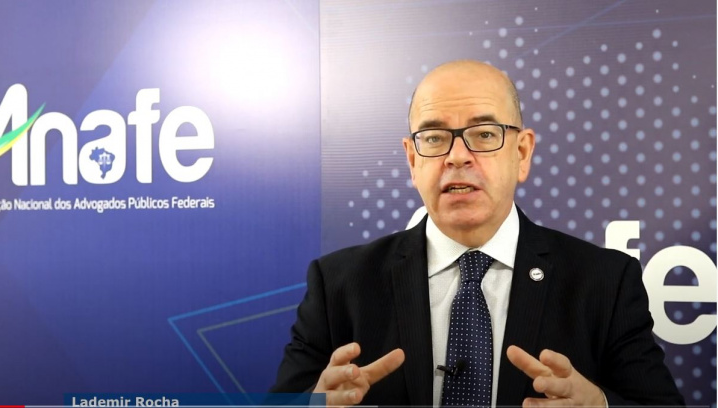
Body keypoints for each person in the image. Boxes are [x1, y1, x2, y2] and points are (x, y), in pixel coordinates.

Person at [270, 60, 684, 407]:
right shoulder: (338, 284)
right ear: (412, 160)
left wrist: (600, 405)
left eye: (484, 134)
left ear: (522, 153)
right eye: (434, 138)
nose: (457, 157)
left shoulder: (606, 281)